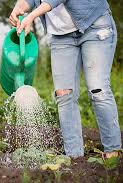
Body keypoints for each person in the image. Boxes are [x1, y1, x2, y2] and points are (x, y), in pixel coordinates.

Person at [9, 0, 122, 158]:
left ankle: (113, 151)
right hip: (62, 36)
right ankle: (74, 156)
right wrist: (19, 8)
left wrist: (32, 16)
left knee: (98, 90)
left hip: (94, 25)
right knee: (63, 94)